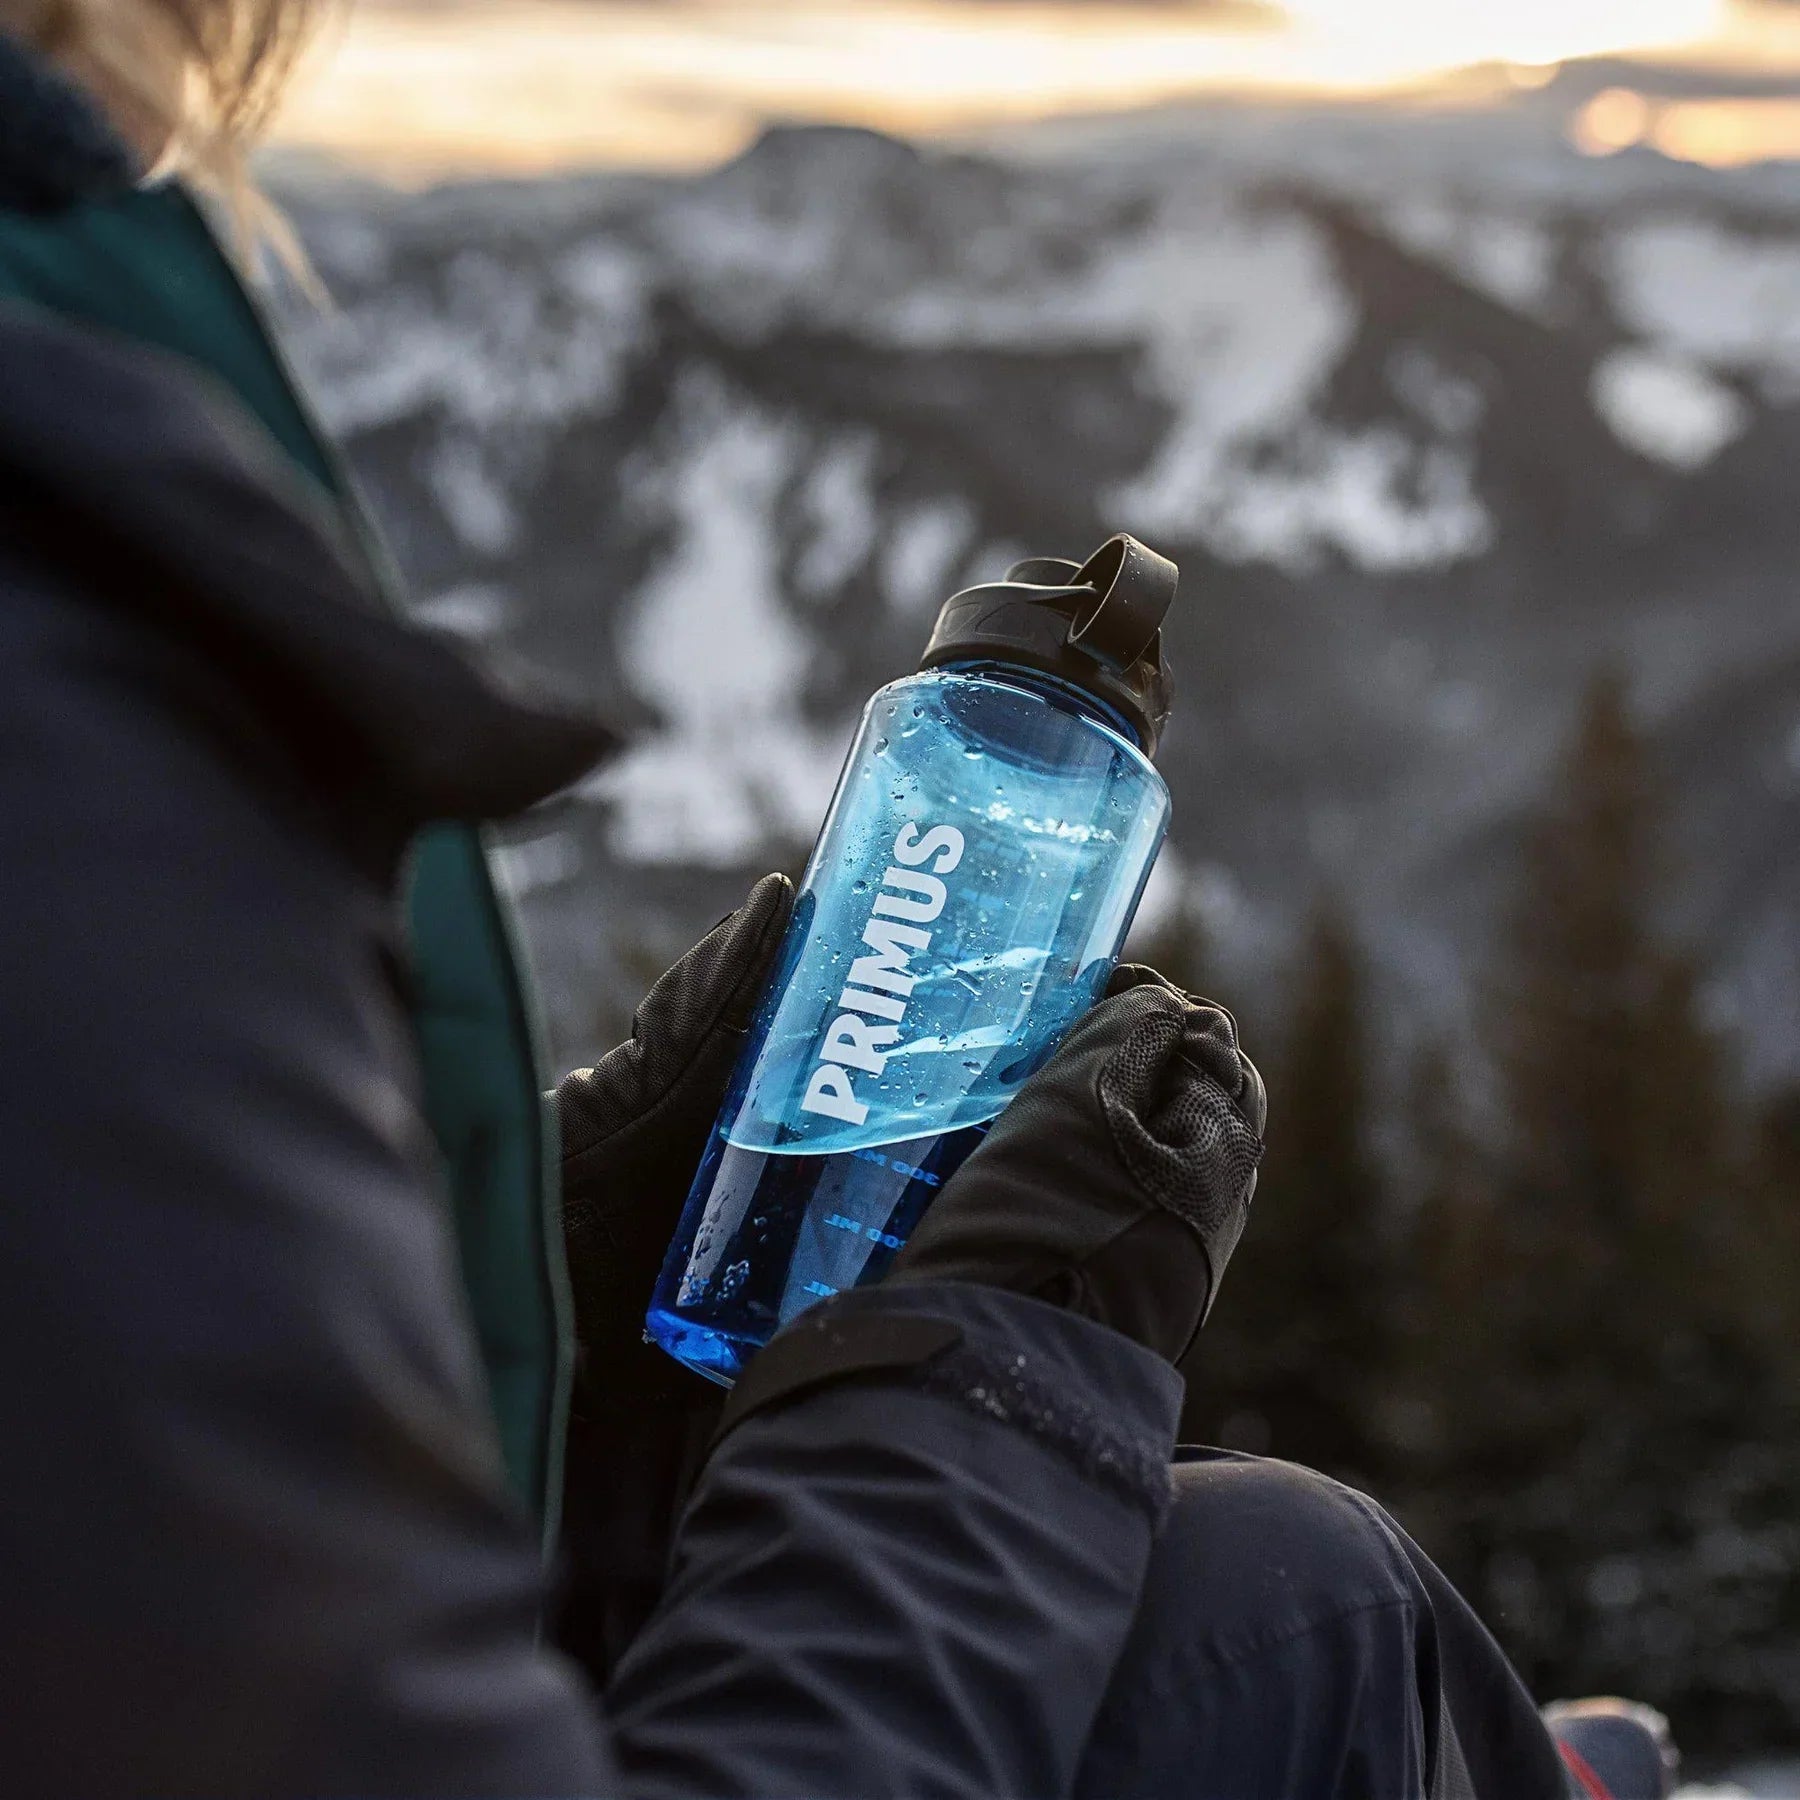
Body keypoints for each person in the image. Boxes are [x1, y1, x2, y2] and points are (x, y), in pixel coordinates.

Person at [0, 3, 1616, 1795]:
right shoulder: (64, 683)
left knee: (1279, 1580)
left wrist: (554, 1247)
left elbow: (164, 1399)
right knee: (1321, 1611)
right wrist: (996, 1371)